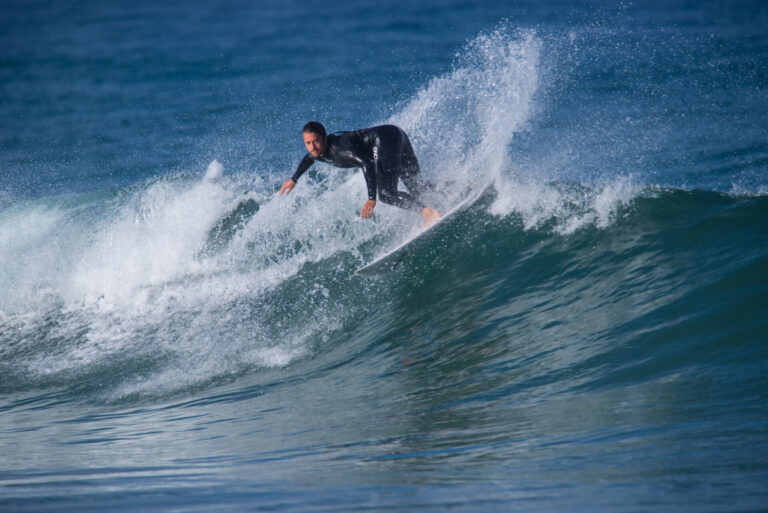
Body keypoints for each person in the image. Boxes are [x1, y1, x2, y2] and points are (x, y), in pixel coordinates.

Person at [279, 122, 441, 225]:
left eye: (315, 141)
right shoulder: (317, 151)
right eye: (308, 143)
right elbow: (308, 159)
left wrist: (371, 198)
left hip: (384, 141)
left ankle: (429, 214)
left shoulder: (339, 151)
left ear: (325, 138)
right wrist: (294, 179)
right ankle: (455, 188)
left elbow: (367, 163)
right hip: (395, 134)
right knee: (418, 189)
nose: (312, 146)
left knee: (385, 194)